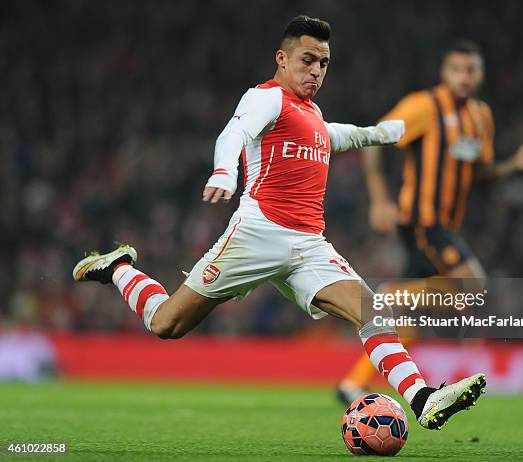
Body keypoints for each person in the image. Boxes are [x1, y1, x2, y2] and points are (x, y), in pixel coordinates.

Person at [73, 16, 486, 430]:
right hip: (256, 234)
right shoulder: (265, 99)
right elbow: (233, 133)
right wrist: (224, 172)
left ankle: (422, 398)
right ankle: (118, 268)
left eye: (323, 64)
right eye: (308, 60)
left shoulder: (312, 114)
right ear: (282, 58)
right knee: (166, 324)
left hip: (309, 245)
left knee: (372, 312)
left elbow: (339, 135)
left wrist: (381, 133)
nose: (316, 71)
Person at [337, 39, 523, 404]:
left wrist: (515, 165)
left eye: (471, 70)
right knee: (474, 285)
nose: (464, 78)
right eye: (457, 69)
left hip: (446, 225)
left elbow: (478, 172)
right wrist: (378, 200)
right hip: (423, 222)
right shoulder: (423, 106)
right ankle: (391, 292)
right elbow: (374, 141)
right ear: (444, 73)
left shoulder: (481, 116)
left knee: (410, 322)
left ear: (480, 74)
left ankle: (350, 384)